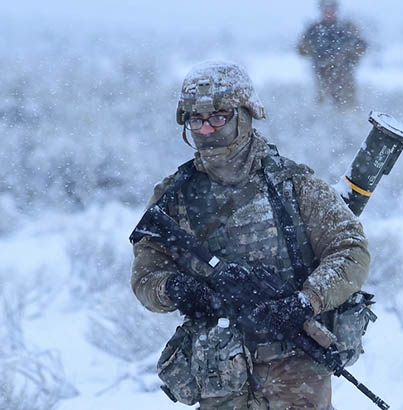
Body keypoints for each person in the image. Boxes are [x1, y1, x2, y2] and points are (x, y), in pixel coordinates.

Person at [130, 61, 370, 410]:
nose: (206, 129)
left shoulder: (293, 184)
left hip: (294, 371)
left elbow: (351, 251)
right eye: (195, 119)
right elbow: (145, 279)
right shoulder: (173, 197)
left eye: (218, 116)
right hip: (218, 374)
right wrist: (176, 289)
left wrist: (305, 302)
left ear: (245, 115)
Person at [297, 0, 367, 108]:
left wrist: (345, 50)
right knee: (323, 108)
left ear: (336, 10)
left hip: (344, 76)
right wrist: (317, 49)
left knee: (347, 108)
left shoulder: (347, 27)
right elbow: (301, 50)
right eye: (326, 9)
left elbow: (362, 47)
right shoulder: (314, 30)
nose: (329, 12)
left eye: (331, 9)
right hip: (322, 76)